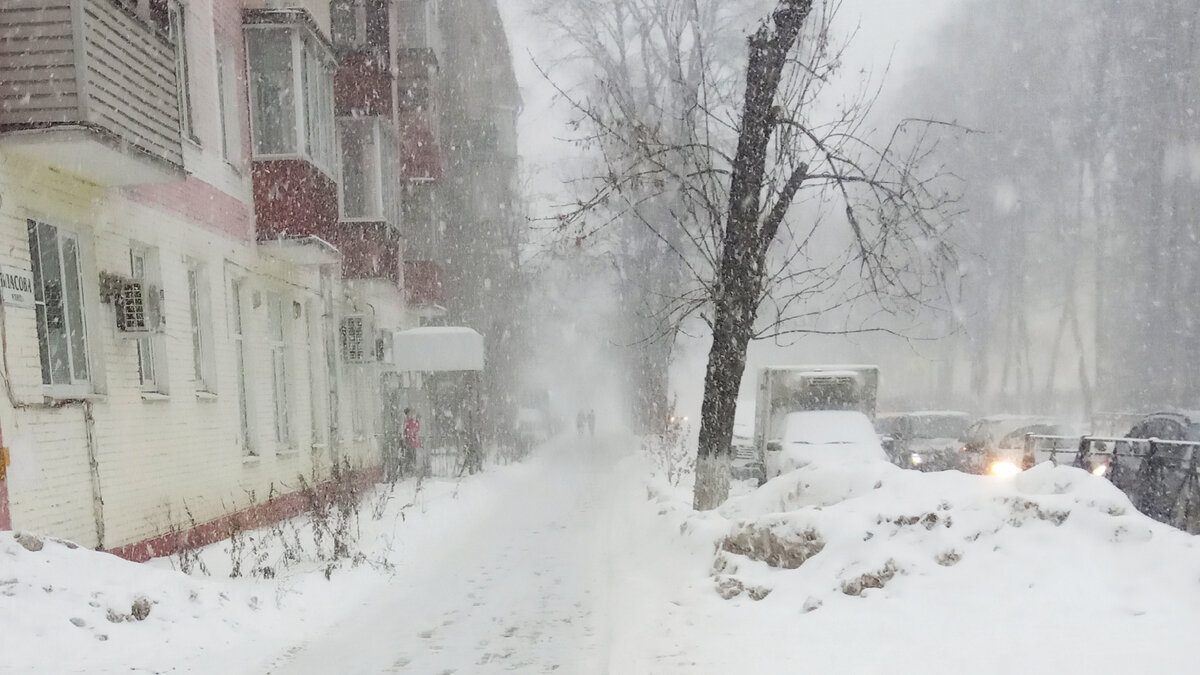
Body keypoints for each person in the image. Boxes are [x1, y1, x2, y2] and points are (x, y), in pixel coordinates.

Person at [402, 408, 421, 476]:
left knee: (411, 456)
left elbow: (414, 429)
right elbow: (409, 430)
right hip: (410, 442)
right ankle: (410, 470)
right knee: (410, 456)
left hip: (412, 442)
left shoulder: (411, 422)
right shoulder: (409, 421)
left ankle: (410, 470)